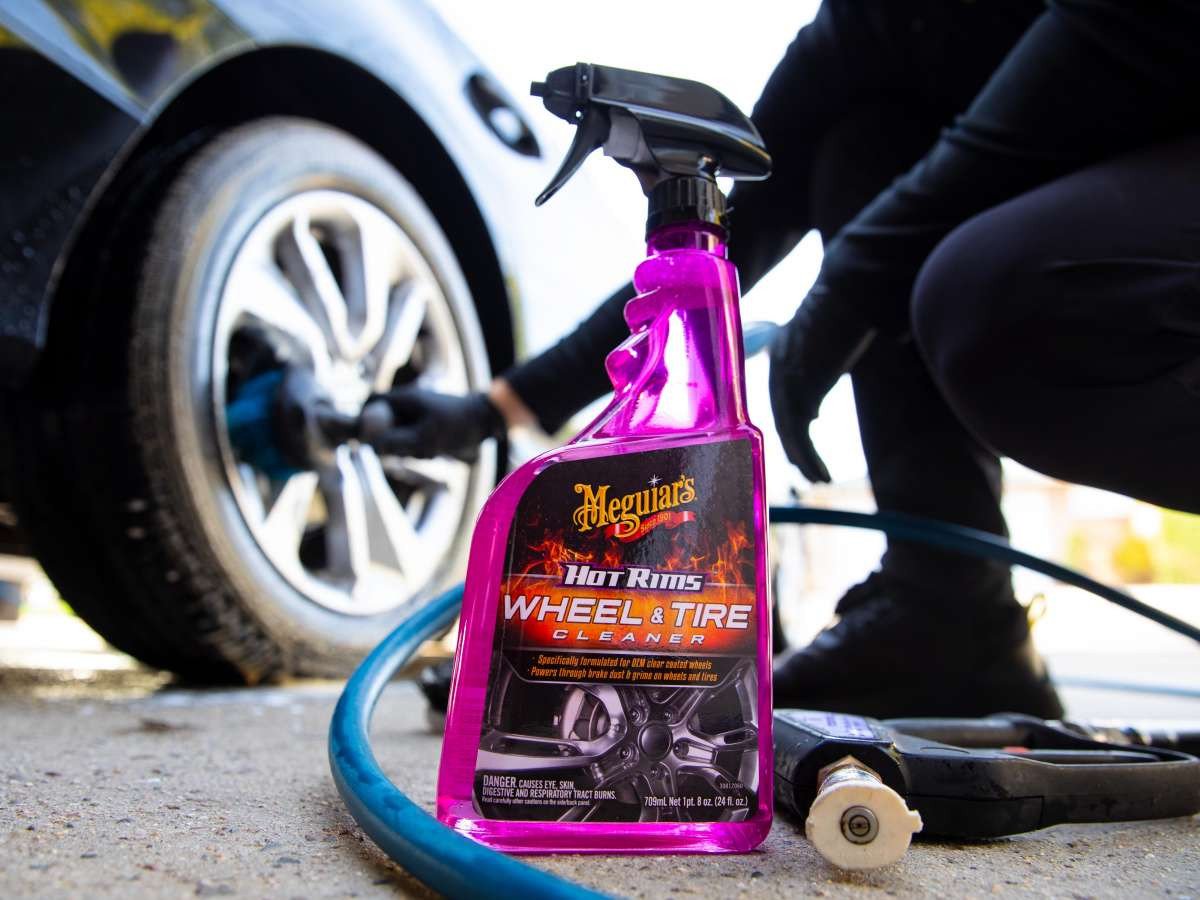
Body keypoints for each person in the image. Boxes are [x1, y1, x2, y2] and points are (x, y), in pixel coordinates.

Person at [381, 1, 1200, 718]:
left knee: (998, 294)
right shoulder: (868, 28)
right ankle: (950, 610)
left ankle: (951, 608)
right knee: (864, 147)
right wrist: (493, 410)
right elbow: (720, 236)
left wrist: (858, 277)